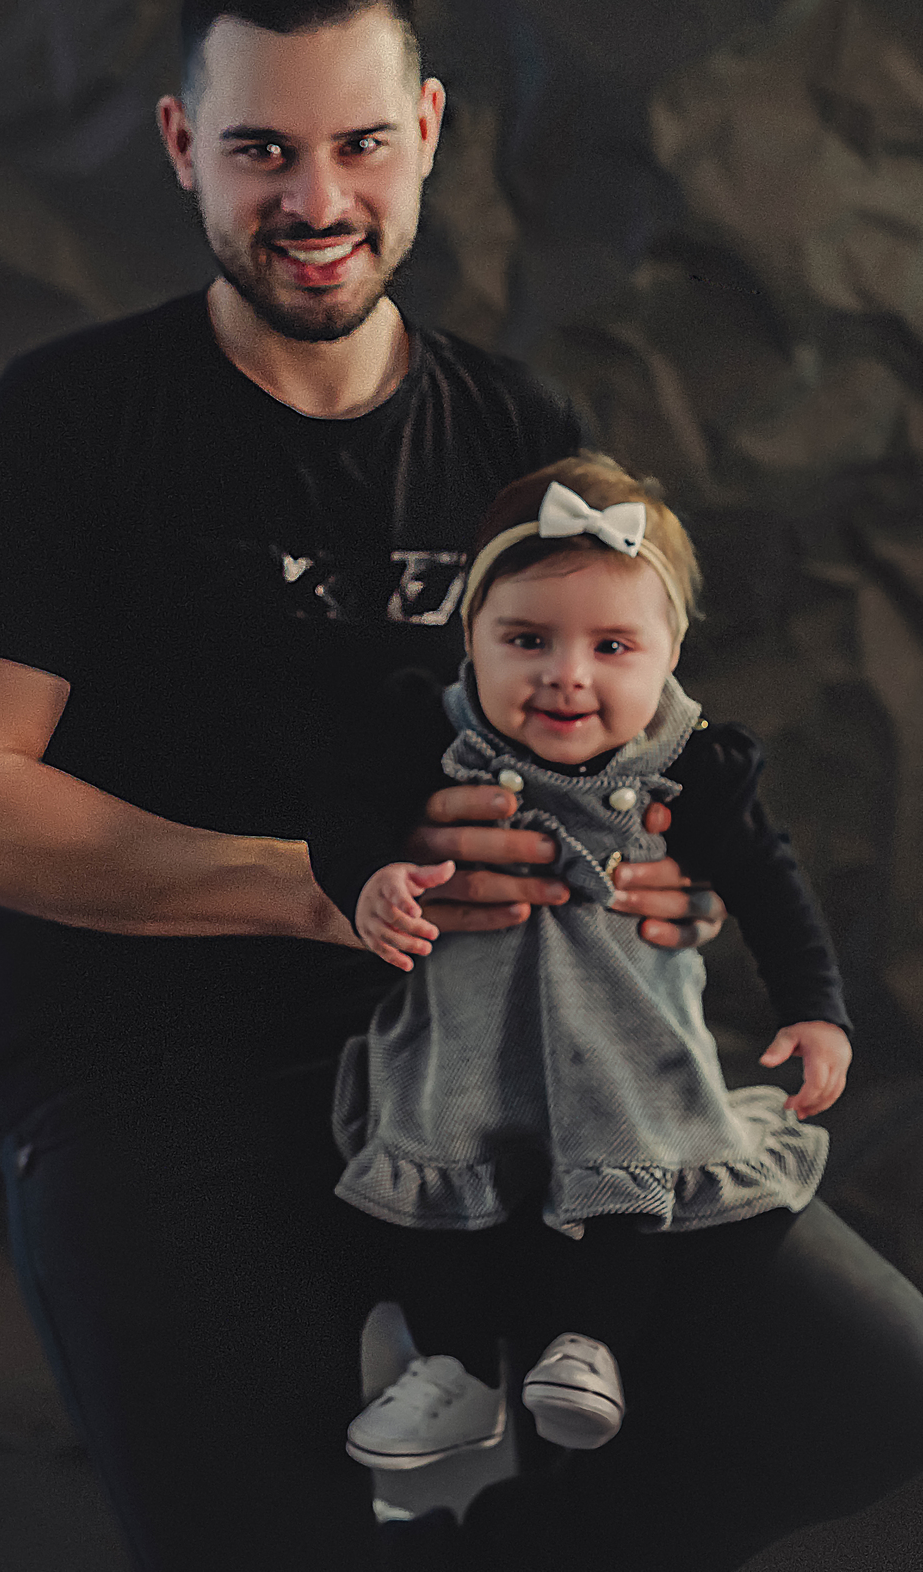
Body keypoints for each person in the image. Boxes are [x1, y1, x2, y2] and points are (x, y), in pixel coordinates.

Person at [0, 0, 923, 1572]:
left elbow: (630, 752)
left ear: (428, 131)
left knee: (872, 1389)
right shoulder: (70, 421)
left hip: (505, 1058)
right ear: (182, 145)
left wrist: (674, 885)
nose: (318, 201)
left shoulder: (518, 440)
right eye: (262, 152)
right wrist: (314, 889)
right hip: (153, 1078)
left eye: (361, 144)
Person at [307, 454, 852, 1478]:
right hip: (465, 1039)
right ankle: (455, 1372)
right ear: (470, 637)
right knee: (438, 1197)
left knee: (626, 1187)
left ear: (669, 652)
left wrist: (815, 1010)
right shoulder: (426, 737)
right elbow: (344, 818)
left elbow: (771, 885)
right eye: (527, 640)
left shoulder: (695, 768)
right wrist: (370, 876)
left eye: (612, 646)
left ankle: (589, 1347)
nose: (568, 674)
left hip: (625, 1045)